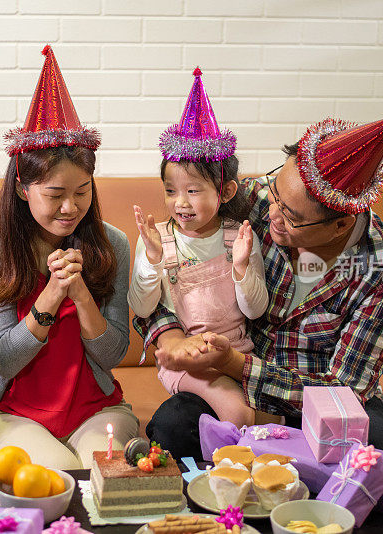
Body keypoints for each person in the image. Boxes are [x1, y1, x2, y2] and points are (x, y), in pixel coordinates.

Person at [137, 111, 383, 459]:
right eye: (276, 195)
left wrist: (235, 364)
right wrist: (172, 336)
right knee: (173, 425)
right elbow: (164, 263)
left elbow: (345, 388)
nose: (272, 216)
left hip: (313, 395)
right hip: (232, 382)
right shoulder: (252, 200)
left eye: (291, 218)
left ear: (341, 226)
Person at [0, 46, 138, 470]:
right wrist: (50, 295)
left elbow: (114, 355)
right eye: (55, 195)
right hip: (14, 413)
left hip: (95, 409)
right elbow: (4, 359)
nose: (70, 208)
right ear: (24, 189)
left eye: (82, 192)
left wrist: (81, 295)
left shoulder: (111, 244)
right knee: (58, 480)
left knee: (108, 480)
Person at [128, 68, 268, 429]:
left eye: (193, 190)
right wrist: (153, 261)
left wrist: (241, 268)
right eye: (171, 190)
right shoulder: (158, 238)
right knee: (237, 412)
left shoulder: (238, 237)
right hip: (185, 357)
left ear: (225, 193)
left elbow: (255, 310)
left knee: (260, 415)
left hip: (238, 354)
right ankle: (223, 477)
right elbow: (141, 307)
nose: (180, 203)